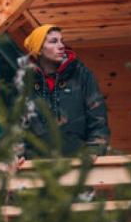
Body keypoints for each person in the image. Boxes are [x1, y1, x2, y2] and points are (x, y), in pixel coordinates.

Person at [20, 24, 110, 159]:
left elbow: (98, 116)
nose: (61, 46)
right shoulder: (26, 81)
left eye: (61, 41)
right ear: (39, 49)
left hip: (77, 161)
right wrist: (15, 154)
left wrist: (95, 149)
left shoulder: (82, 75)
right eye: (53, 41)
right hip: (36, 164)